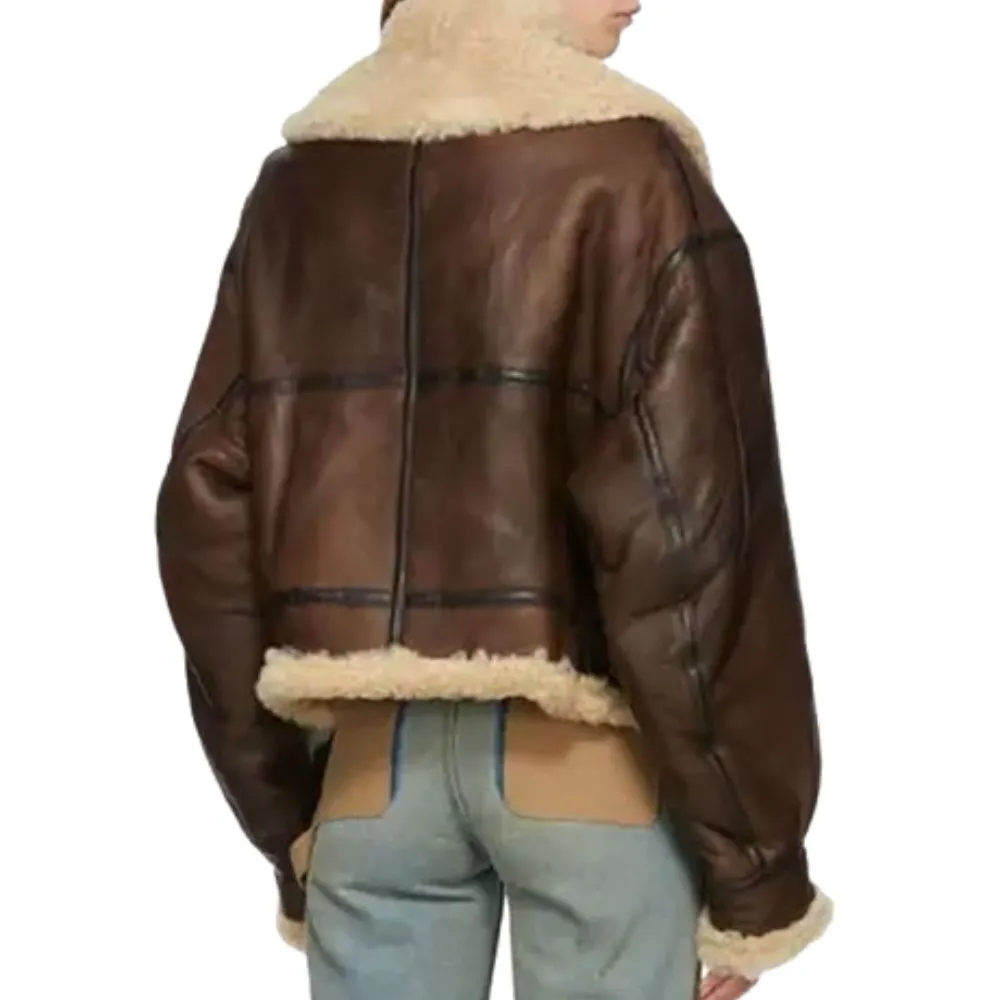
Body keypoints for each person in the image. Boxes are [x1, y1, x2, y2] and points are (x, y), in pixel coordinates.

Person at [155, 0, 833, 997]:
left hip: (371, 782)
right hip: (589, 772)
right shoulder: (632, 175)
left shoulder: (296, 191)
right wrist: (755, 873)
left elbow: (206, 517)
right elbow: (692, 543)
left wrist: (288, 814)